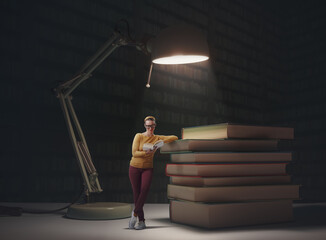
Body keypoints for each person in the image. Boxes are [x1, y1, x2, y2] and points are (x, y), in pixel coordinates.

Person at [128, 116, 178, 230]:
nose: (150, 128)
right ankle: (141, 222)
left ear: (155, 126)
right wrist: (146, 152)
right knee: (137, 194)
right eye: (148, 126)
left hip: (148, 168)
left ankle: (134, 214)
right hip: (134, 167)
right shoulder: (139, 136)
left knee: (144, 190)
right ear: (145, 126)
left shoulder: (157, 138)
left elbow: (174, 137)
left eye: (152, 126)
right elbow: (134, 153)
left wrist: (161, 142)